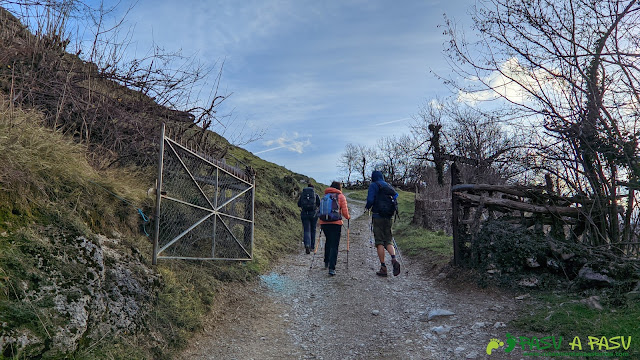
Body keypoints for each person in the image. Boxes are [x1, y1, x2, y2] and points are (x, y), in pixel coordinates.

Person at [365, 170, 401, 277]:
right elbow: (395, 197)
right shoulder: (388, 186)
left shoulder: (373, 185)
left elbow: (370, 200)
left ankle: (383, 267)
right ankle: (394, 259)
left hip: (378, 216)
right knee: (388, 240)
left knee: (379, 241)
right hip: (389, 216)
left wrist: (367, 207)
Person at [318, 181, 350, 276]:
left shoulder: (325, 196)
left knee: (328, 241)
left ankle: (326, 262)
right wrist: (348, 217)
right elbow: (344, 212)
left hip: (324, 223)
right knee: (334, 245)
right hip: (336, 223)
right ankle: (332, 268)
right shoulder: (340, 196)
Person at [297, 183, 320, 254]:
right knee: (313, 229)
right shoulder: (315, 195)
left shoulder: (303, 195)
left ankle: (307, 244)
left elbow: (299, 204)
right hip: (313, 214)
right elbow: (319, 204)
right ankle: (312, 247)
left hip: (304, 214)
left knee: (306, 230)